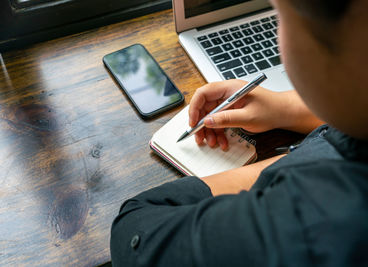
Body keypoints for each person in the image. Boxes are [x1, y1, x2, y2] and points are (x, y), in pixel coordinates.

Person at [110, 0, 368, 266]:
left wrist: (285, 162)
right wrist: (286, 108)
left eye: (278, 15)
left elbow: (135, 235)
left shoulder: (307, 220)